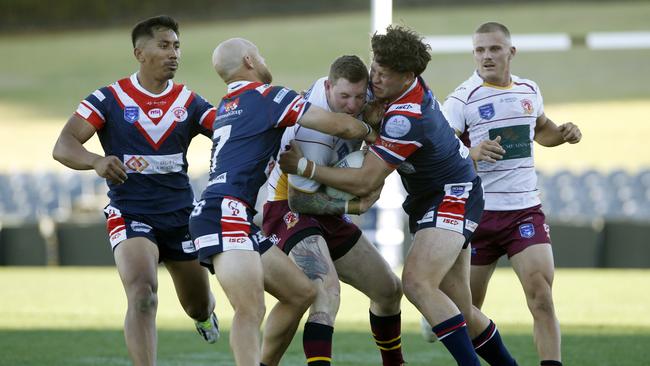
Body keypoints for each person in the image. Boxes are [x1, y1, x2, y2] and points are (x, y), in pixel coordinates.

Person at [280, 25, 518, 366]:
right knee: (460, 307)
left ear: (407, 76)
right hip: (432, 198)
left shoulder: (405, 119)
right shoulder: (396, 92)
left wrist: (305, 167)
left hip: (452, 195)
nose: (373, 79)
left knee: (418, 283)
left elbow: (364, 182)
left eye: (383, 74)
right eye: (374, 68)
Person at [188, 38, 379, 366]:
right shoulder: (267, 95)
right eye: (259, 55)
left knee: (300, 293)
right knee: (250, 310)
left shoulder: (227, 104)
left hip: (233, 214)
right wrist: (376, 134)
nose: (264, 61)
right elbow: (341, 125)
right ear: (249, 60)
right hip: (225, 213)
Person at [52, 15, 220, 366]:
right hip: (130, 213)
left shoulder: (189, 101)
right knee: (143, 293)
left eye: (177, 46)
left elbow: (227, 130)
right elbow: (64, 145)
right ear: (139, 53)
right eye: (164, 45)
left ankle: (205, 315)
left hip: (179, 217)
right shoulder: (108, 98)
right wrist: (96, 161)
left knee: (198, 304)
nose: (174, 53)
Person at [441, 22, 581, 366]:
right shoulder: (462, 99)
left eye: (494, 48)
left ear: (511, 52)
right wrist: (473, 153)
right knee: (465, 312)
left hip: (523, 211)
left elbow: (542, 130)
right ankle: (443, 316)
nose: (487, 56)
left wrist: (563, 134)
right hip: (478, 215)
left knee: (541, 296)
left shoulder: (529, 90)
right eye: (480, 50)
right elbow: (440, 151)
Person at [262, 55, 404, 366]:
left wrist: (374, 122)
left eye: (358, 96)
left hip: (324, 210)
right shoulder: (311, 132)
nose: (352, 104)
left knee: (389, 289)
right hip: (289, 208)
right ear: (328, 87)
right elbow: (301, 201)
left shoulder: (361, 99)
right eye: (344, 96)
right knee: (326, 293)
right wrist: (354, 205)